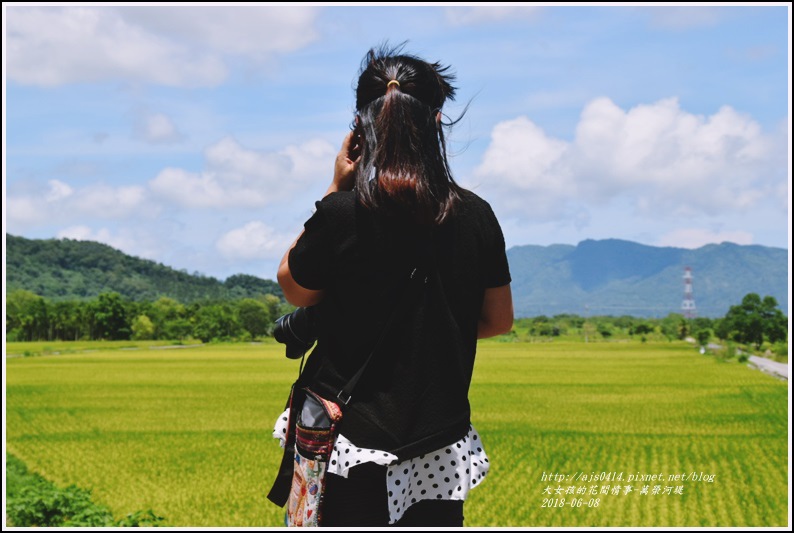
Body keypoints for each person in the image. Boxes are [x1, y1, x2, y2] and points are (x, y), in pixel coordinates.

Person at [274, 44, 513, 527]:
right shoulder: (477, 215)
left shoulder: (342, 215)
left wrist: (334, 189)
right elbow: (497, 320)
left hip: (344, 440)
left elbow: (294, 287)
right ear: (438, 119)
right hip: (437, 442)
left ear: (360, 125)